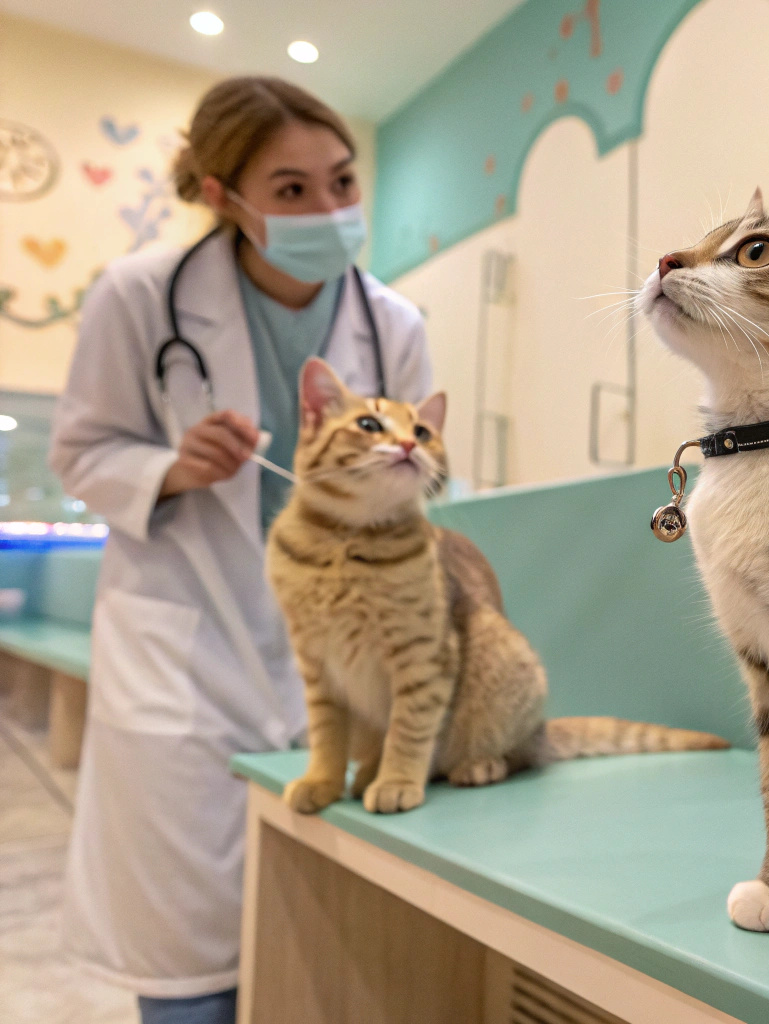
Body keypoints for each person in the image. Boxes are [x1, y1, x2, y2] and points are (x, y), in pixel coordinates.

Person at [49, 77, 433, 1024]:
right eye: (292, 190)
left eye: (342, 181)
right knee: (189, 962)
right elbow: (82, 453)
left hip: (337, 641)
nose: (331, 210)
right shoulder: (140, 296)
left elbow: (423, 475)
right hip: (189, 648)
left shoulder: (396, 325)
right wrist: (173, 469)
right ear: (220, 196)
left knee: (328, 940)